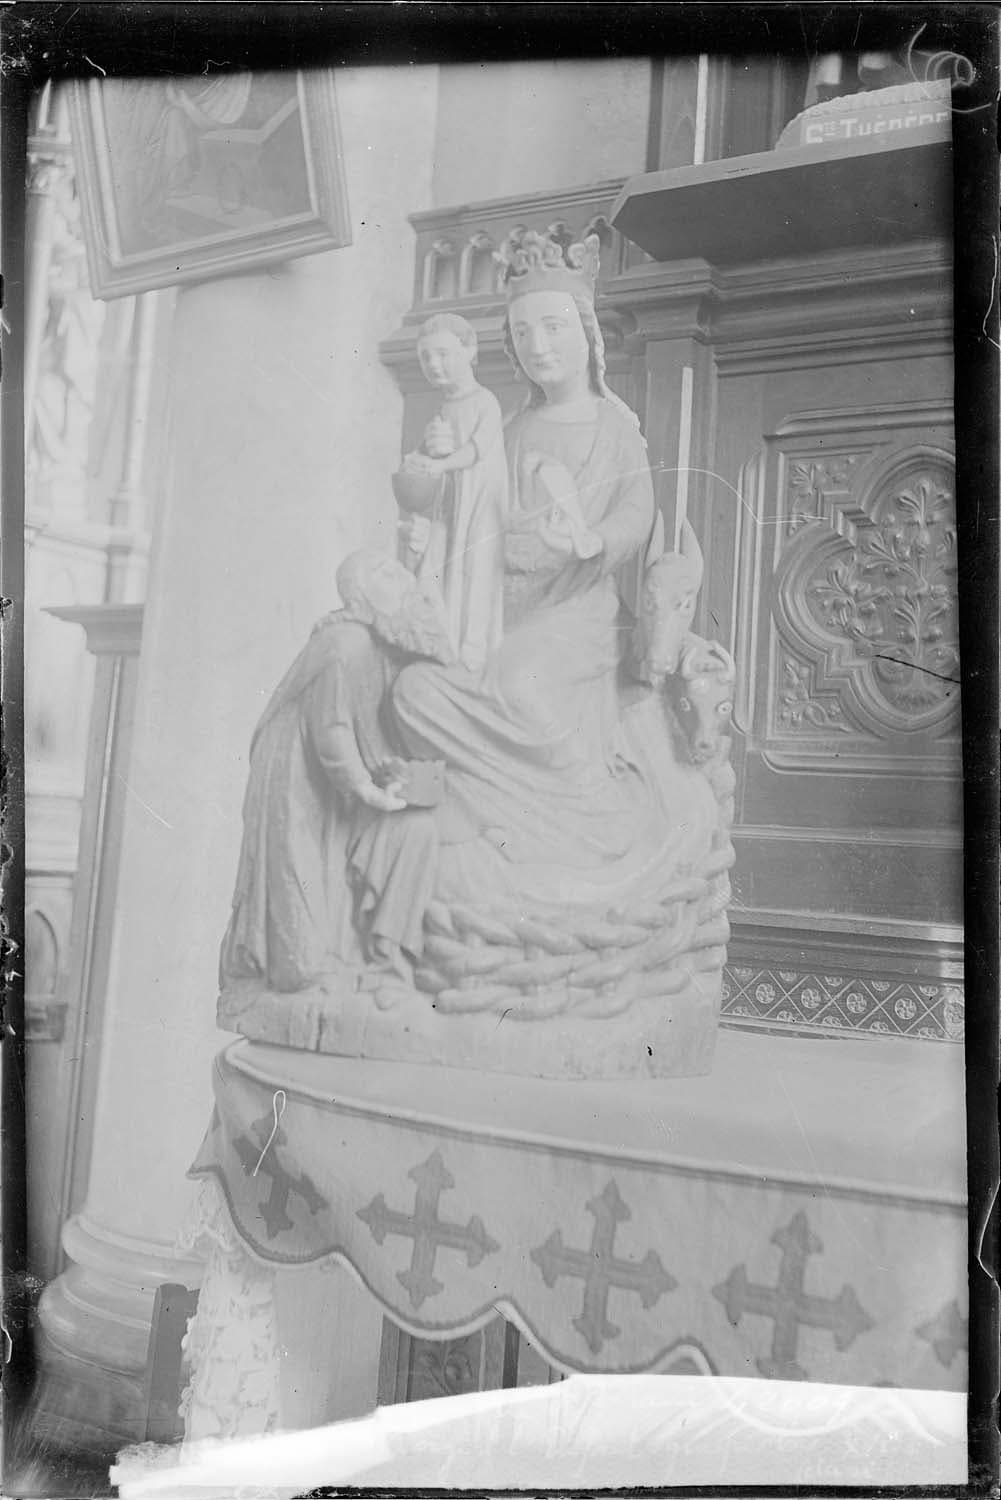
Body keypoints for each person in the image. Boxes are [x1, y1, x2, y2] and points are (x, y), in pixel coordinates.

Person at [391, 228, 716, 912]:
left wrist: (590, 542)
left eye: (553, 327)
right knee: (417, 688)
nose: (538, 346)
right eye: (523, 332)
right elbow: (471, 515)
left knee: (518, 684)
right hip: (499, 603)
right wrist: (429, 494)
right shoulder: (509, 431)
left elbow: (636, 512)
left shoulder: (613, 427)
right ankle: (478, 820)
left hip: (577, 612)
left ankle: (581, 820)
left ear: (586, 334)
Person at [219, 551, 454, 993]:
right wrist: (369, 789)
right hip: (296, 775)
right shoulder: (347, 644)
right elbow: (333, 729)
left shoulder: (387, 645)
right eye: (384, 573)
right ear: (360, 598)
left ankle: (373, 964)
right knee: (300, 933)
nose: (401, 575)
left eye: (397, 568)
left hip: (343, 776)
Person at [398, 314, 508, 673]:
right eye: (425, 357)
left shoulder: (485, 401)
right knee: (438, 568)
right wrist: (419, 458)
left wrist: (441, 464)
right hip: (449, 506)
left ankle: (472, 657)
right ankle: (442, 649)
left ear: (470, 350)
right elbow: (427, 453)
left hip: (480, 508)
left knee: (475, 573)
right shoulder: (443, 408)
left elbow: (476, 449)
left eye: (443, 354)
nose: (434, 364)